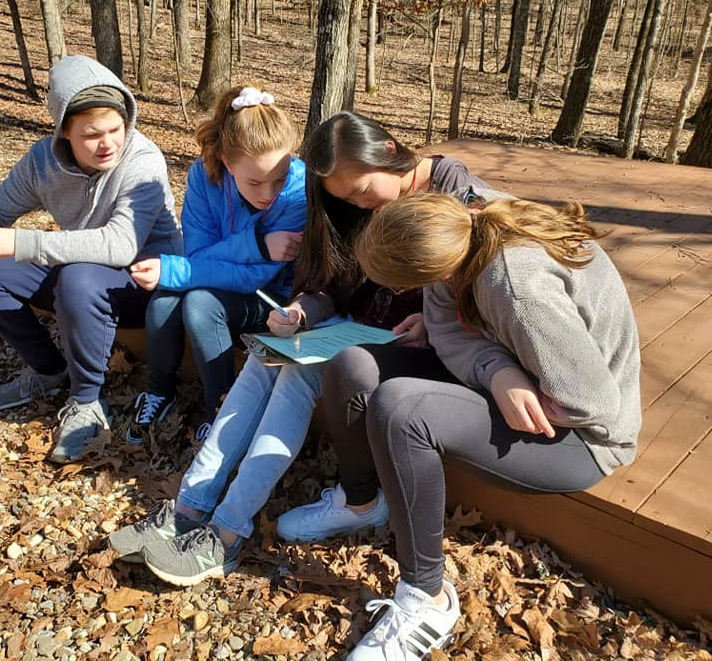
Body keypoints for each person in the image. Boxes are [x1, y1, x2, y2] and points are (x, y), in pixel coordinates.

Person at [105, 111, 488, 586]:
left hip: (416, 349)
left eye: (363, 191)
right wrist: (301, 312)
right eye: (344, 197)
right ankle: (190, 506)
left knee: (298, 373)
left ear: (388, 150)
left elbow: (476, 287)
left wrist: (435, 323)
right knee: (268, 357)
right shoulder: (345, 205)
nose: (359, 203)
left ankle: (226, 532)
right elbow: (333, 285)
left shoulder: (453, 190)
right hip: (358, 330)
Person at [291, 191, 642, 661]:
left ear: (432, 269)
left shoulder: (517, 286)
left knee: (402, 408)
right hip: (519, 380)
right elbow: (447, 330)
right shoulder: (458, 235)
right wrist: (498, 371)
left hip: (579, 434)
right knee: (351, 365)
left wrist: (506, 382)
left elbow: (592, 400)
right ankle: (361, 504)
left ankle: (427, 600)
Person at [0, 55, 182, 464]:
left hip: (145, 284)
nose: (108, 143)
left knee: (77, 277)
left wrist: (15, 242)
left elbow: (120, 246)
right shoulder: (43, 161)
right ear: (64, 132)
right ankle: (48, 370)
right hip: (78, 274)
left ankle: (87, 400)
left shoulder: (142, 161)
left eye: (115, 129)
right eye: (91, 134)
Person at [125, 86, 306, 444]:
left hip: (271, 298)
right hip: (223, 280)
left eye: (278, 178)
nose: (268, 193)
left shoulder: (297, 193)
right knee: (164, 302)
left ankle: (219, 410)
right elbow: (197, 253)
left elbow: (257, 277)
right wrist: (257, 245)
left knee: (199, 303)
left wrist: (178, 270)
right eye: (254, 182)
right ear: (227, 162)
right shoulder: (203, 176)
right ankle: (160, 392)